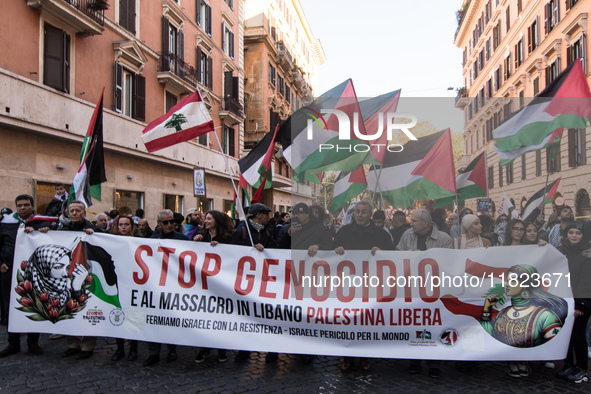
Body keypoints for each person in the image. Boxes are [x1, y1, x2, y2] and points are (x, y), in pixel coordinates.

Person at [333, 201, 393, 372]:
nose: (359, 215)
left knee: (366, 321)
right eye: (357, 212)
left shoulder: (381, 234)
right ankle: (347, 357)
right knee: (348, 320)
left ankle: (365, 356)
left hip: (371, 284)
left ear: (370, 214)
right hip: (348, 283)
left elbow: (393, 254)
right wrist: (335, 249)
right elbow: (330, 250)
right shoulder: (343, 231)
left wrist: (381, 251)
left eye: (363, 212)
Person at [481, 265, 567, 374]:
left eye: (513, 281)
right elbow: (491, 335)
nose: (508, 285)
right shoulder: (504, 313)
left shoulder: (545, 315)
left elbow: (555, 342)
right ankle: (512, 361)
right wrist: (487, 309)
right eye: (508, 281)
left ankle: (525, 360)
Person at [397, 208, 452, 377]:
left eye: (414, 220)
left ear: (425, 223)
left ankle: (433, 362)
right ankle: (414, 360)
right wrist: (407, 256)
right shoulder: (407, 235)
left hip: (434, 290)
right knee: (415, 323)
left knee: (433, 325)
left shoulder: (444, 238)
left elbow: (450, 262)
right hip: (412, 287)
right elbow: (397, 255)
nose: (410, 223)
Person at [0, 194, 51, 357]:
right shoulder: (5, 224)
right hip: (9, 272)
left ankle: (32, 342)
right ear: (16, 207)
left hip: (33, 273)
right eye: (20, 205)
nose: (23, 208)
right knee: (10, 308)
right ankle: (13, 343)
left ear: (32, 206)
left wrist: (45, 232)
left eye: (26, 205)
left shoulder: (41, 222)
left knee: (33, 305)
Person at [232, 203, 277, 363]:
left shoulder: (268, 232)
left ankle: (272, 350)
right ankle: (244, 350)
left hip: (265, 282)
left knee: (269, 316)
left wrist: (266, 249)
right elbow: (232, 252)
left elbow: (274, 249)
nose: (269, 218)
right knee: (248, 317)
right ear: (259, 215)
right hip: (247, 282)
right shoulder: (242, 231)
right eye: (267, 215)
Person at [144, 210, 189, 366]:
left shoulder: (183, 239)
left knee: (171, 320)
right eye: (166, 222)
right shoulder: (151, 241)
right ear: (159, 223)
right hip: (155, 287)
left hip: (174, 286)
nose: (170, 225)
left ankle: (172, 350)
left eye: (172, 222)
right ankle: (153, 353)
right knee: (154, 320)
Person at [58, 200, 99, 359]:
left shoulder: (93, 229)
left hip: (88, 275)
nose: (74, 213)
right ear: (67, 213)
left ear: (84, 213)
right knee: (69, 307)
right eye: (71, 210)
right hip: (67, 276)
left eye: (77, 210)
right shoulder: (61, 230)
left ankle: (88, 346)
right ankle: (72, 344)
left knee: (87, 308)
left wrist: (95, 235)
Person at [193, 210, 234, 364]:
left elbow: (234, 256)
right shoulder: (201, 236)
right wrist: (196, 243)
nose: (205, 221)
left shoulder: (227, 238)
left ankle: (221, 348)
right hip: (204, 285)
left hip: (221, 285)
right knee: (205, 317)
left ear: (217, 221)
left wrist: (220, 248)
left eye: (209, 218)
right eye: (205, 218)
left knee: (219, 317)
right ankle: (204, 348)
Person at [556, 221, 591, 383]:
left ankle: (582, 369)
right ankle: (568, 364)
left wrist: (580, 304)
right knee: (566, 335)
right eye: (571, 233)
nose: (574, 236)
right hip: (566, 300)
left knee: (578, 335)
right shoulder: (564, 251)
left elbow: (586, 281)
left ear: (583, 235)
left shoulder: (587, 254)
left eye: (578, 233)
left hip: (581, 302)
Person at [110, 216, 138, 362]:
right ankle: (119, 348)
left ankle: (134, 349)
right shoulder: (112, 241)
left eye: (126, 224)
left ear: (131, 226)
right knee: (118, 315)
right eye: (121, 224)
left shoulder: (139, 241)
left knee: (134, 317)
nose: (123, 227)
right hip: (118, 283)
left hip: (135, 284)